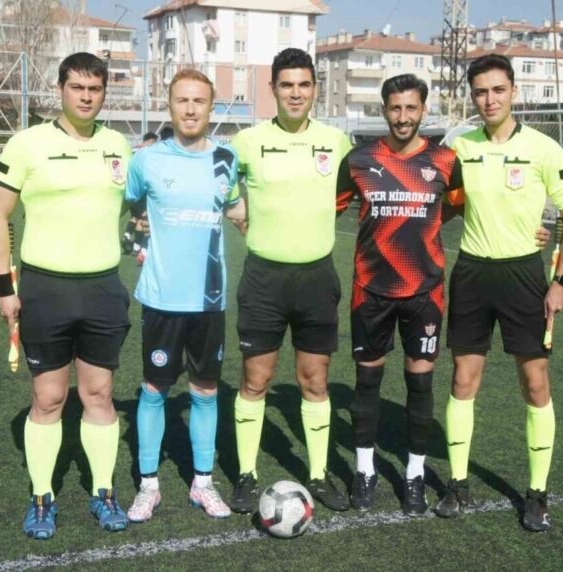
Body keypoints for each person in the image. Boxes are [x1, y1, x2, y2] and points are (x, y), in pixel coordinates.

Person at [0, 52, 132, 539]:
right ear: (60, 90)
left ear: (104, 92)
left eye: (95, 89)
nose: (86, 97)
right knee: (48, 398)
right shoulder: (27, 143)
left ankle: (103, 491)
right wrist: (5, 289)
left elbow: (126, 206)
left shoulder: (118, 145)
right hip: (45, 289)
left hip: (103, 288)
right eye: (77, 88)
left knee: (99, 393)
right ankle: (42, 497)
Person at [436, 54, 563, 532]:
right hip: (472, 273)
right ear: (472, 97)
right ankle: (458, 484)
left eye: (498, 89)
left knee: (535, 384)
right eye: (481, 91)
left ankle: (537, 493)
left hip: (523, 276)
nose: (489, 99)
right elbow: (449, 208)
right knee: (463, 381)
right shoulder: (460, 148)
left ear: (513, 91)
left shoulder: (544, 149)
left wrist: (560, 281)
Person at [228, 48, 352, 513]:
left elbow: (356, 191)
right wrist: (236, 210)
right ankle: (245, 474)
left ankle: (318, 475)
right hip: (264, 279)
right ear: (273, 89)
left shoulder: (336, 142)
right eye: (287, 85)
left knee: (314, 380)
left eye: (303, 84)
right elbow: (220, 183)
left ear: (315, 89)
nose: (295, 93)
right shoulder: (247, 141)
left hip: (317, 278)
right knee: (255, 378)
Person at [335, 74, 465, 516]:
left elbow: (458, 204)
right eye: (395, 108)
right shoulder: (359, 159)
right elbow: (330, 206)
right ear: (384, 110)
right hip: (371, 288)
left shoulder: (445, 160)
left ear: (423, 110)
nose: (403, 117)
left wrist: (422, 224)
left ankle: (413, 476)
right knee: (367, 383)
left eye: (411, 108)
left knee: (420, 384)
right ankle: (365, 471)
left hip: (423, 290)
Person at [124, 69, 244, 523]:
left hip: (209, 300)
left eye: (199, 101)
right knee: (155, 388)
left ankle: (202, 483)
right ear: (169, 105)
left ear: (211, 108)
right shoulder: (146, 161)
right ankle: (148, 486)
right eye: (182, 100)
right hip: (161, 298)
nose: (190, 109)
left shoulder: (226, 159)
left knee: (206, 389)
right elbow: (131, 204)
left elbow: (237, 209)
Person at [121, 133, 160, 256]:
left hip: (129, 189)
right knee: (143, 218)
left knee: (134, 217)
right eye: (154, 142)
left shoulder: (133, 150)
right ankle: (138, 248)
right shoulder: (148, 154)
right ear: (151, 141)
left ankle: (127, 235)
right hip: (142, 190)